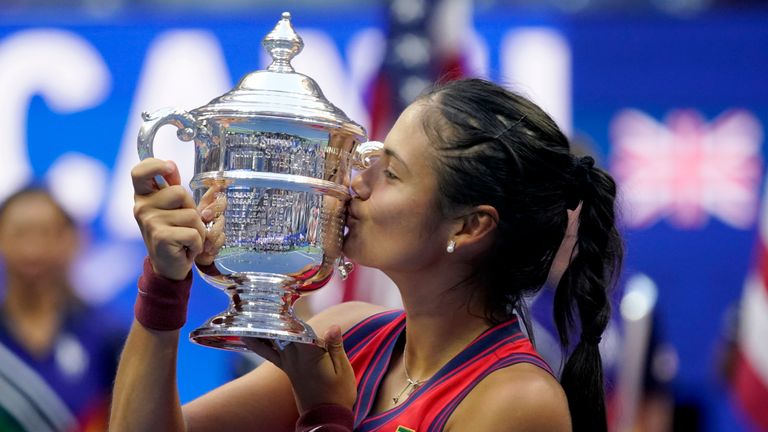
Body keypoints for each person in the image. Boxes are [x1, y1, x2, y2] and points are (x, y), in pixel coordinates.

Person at [110, 78, 623, 432]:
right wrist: (165, 282)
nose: (356, 183)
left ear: (469, 226)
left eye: (390, 173)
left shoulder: (517, 402)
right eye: (370, 159)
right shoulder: (350, 335)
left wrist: (324, 413)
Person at [0, 185, 125, 431]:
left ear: (71, 241)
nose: (32, 249)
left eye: (45, 233)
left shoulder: (107, 334)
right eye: (20, 233)